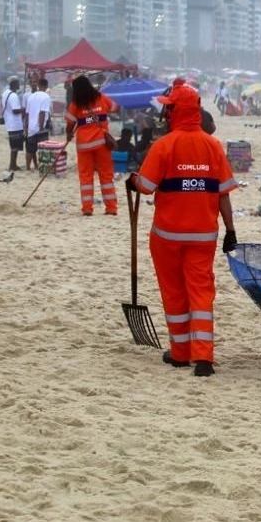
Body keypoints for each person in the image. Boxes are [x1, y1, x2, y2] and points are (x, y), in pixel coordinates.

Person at [127, 79, 238, 377]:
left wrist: (133, 180)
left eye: (168, 110)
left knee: (175, 293)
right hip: (204, 235)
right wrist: (231, 230)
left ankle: (180, 353)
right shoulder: (213, 146)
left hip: (167, 236)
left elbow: (147, 187)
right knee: (201, 293)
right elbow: (223, 193)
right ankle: (203, 357)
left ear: (174, 112)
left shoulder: (163, 145)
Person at [65, 76, 119, 216]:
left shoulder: (75, 104)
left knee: (86, 177)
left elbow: (70, 124)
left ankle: (87, 208)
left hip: (84, 145)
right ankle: (111, 208)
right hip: (102, 143)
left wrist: (69, 134)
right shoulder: (101, 98)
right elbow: (115, 108)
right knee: (106, 176)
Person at [25, 78, 52, 171]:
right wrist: (41, 127)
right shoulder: (46, 96)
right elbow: (42, 113)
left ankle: (28, 168)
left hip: (31, 128)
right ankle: (43, 167)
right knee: (43, 149)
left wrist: (26, 127)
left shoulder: (31, 97)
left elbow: (27, 114)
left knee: (30, 149)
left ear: (38, 85)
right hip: (41, 128)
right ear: (46, 86)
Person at [0, 78, 25, 171]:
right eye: (18, 83)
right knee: (15, 147)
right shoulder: (14, 95)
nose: (19, 85)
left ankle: (13, 164)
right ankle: (12, 165)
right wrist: (23, 109)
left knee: (13, 146)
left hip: (9, 123)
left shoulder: (5, 93)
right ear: (14, 84)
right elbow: (15, 110)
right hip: (15, 124)